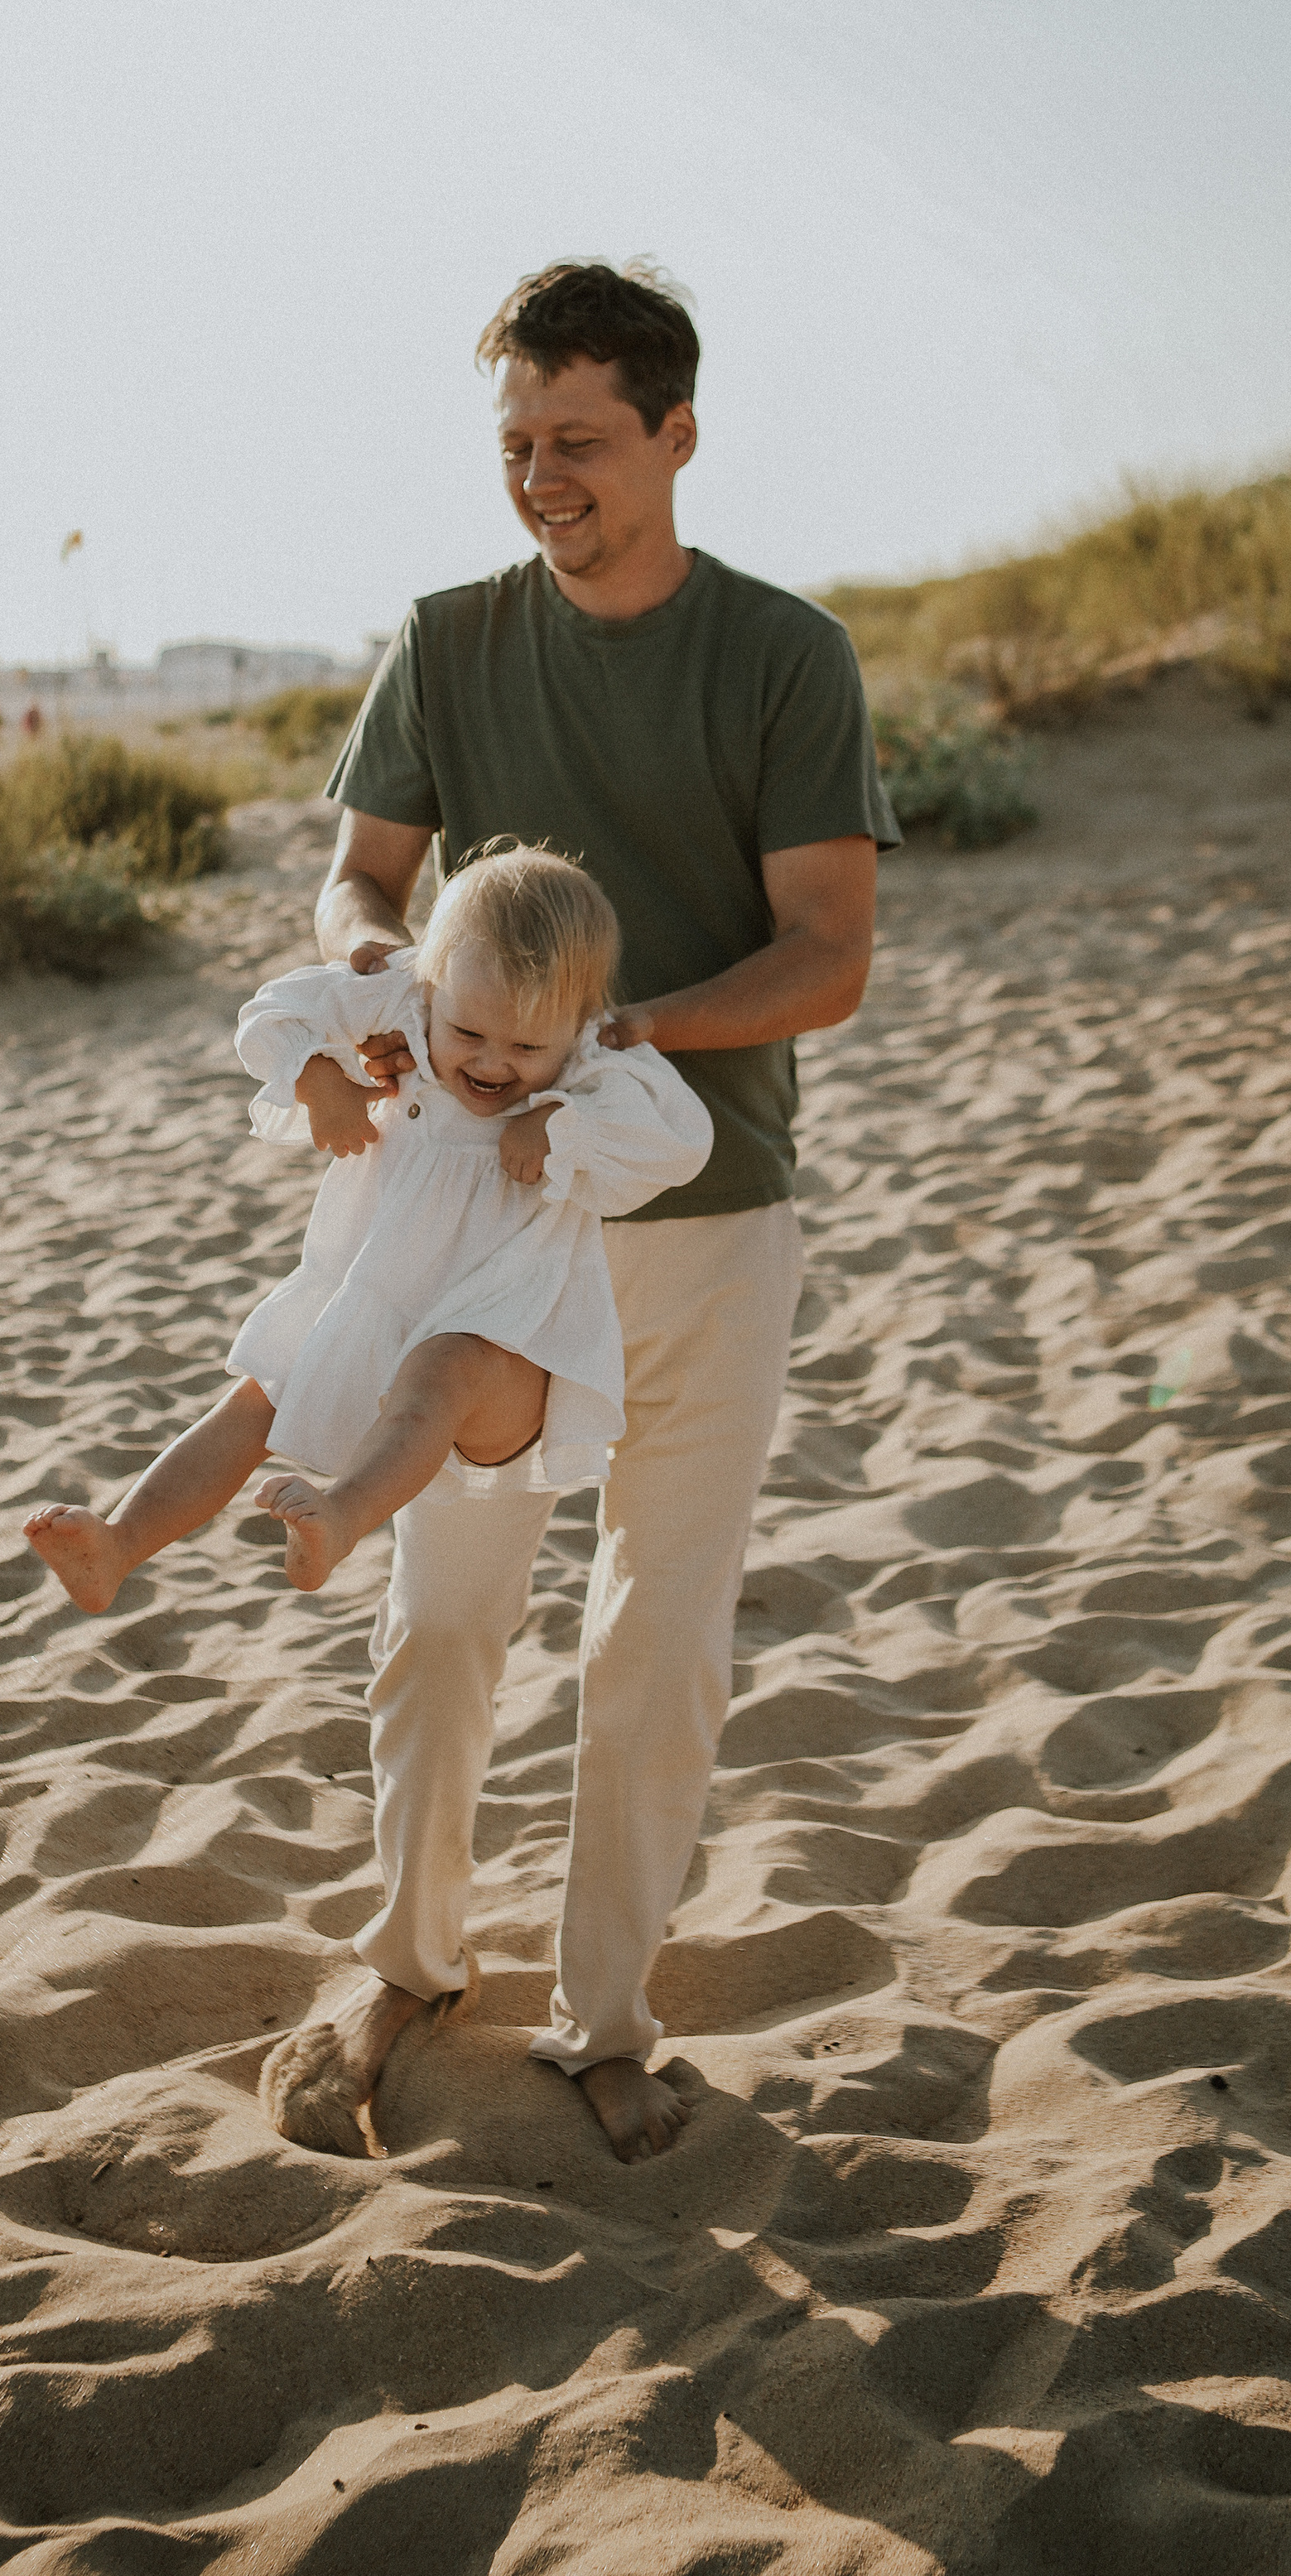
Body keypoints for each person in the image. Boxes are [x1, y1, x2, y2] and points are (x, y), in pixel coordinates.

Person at [264, 258, 901, 2165]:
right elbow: (355, 882)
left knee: (657, 1640)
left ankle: (608, 2014)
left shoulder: (786, 657)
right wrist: (388, 988)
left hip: (711, 1217)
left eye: (580, 442)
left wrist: (609, 1035)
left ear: (675, 437)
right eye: (515, 442)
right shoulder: (446, 642)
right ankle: (406, 1962)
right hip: (474, 1228)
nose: (541, 476)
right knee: (442, 1611)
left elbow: (825, 956)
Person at [22, 841, 710, 1602]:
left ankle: (343, 1517)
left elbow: (683, 1138)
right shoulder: (400, 1001)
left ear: (578, 1021)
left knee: (440, 1369)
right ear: (432, 983)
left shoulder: (590, 1061)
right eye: (470, 1033)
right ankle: (118, 1545)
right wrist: (318, 1079)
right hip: (373, 1298)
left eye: (525, 1047)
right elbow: (271, 1013)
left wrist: (560, 1122)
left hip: (504, 1349)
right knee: (257, 1399)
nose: (492, 1063)